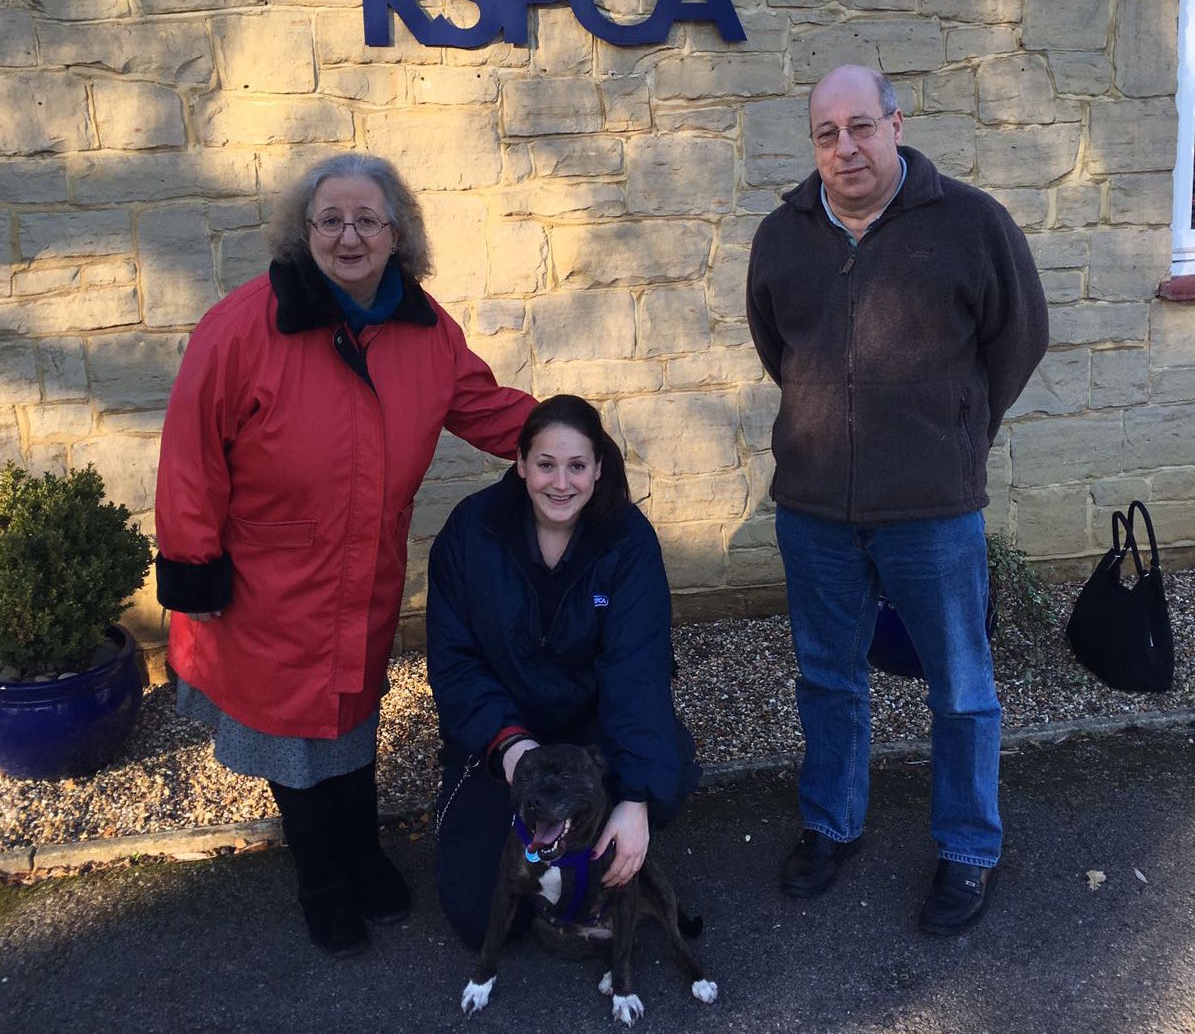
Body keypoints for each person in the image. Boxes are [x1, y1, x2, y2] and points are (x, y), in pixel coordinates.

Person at [154, 152, 536, 957]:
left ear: (398, 234)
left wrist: (568, 441)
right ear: (304, 231)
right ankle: (320, 874)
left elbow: (485, 406)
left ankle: (362, 851)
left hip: (362, 575)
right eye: (330, 219)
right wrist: (192, 564)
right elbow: (192, 453)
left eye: (368, 219)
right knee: (293, 742)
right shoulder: (239, 326)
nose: (349, 235)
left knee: (350, 724)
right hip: (266, 584)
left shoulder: (426, 332)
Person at [746, 65, 1049, 936]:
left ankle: (966, 846)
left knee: (959, 687)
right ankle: (831, 824)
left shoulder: (969, 224)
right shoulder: (782, 236)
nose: (844, 148)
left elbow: (1017, 338)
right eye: (825, 133)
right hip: (814, 510)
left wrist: (955, 431)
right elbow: (780, 348)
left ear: (895, 124)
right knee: (827, 677)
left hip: (932, 509)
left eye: (860, 127)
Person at [425, 394, 701, 949]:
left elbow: (637, 670)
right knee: (481, 922)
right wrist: (508, 745)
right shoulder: (471, 531)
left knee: (665, 774)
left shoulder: (627, 539)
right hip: (503, 735)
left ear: (598, 469)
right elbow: (454, 661)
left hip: (590, 734)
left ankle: (597, 839)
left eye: (577, 466)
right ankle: (543, 852)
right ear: (521, 463)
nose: (561, 483)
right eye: (546, 464)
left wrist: (635, 798)